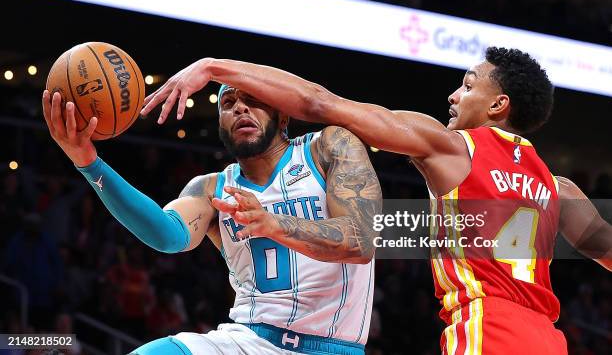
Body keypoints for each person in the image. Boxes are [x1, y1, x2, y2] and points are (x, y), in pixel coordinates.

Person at [142, 47, 612, 355]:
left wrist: (214, 68)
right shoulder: (559, 188)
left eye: (468, 85)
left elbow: (318, 104)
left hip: (488, 331)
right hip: (549, 340)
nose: (453, 95)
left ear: (498, 105)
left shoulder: (452, 147)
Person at [41, 84, 381, 355]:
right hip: (248, 341)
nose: (240, 108)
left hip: (333, 347)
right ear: (219, 123)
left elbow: (362, 240)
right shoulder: (212, 188)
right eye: (228, 102)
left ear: (282, 117)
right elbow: (166, 234)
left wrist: (273, 223)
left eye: (253, 100)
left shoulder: (329, 147)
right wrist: (88, 162)